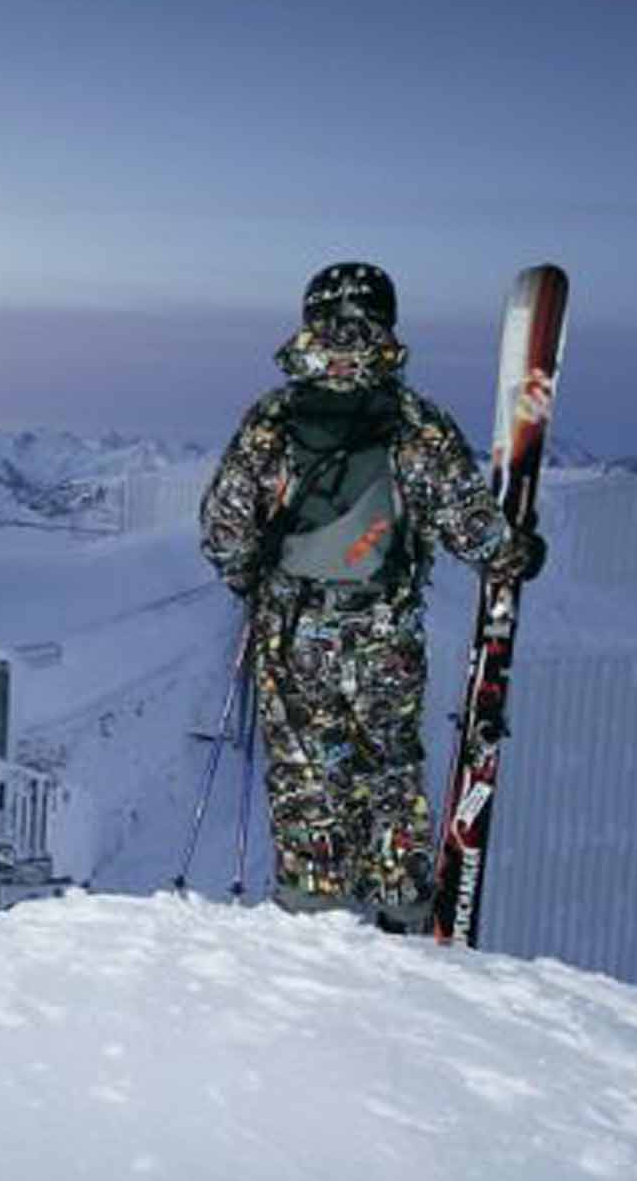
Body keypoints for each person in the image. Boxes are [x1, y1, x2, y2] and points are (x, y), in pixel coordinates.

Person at [199, 262, 544, 930]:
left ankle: (312, 912)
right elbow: (471, 527)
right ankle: (399, 918)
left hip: (293, 629)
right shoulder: (416, 421)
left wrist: (250, 580)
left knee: (306, 776)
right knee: (388, 770)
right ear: (387, 320)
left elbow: (224, 526)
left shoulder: (273, 417)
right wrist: (516, 553)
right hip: (385, 631)